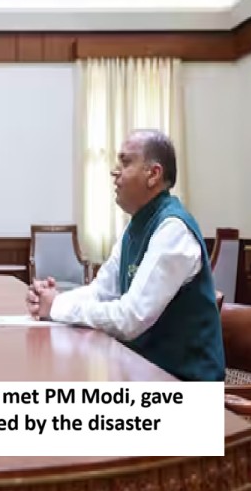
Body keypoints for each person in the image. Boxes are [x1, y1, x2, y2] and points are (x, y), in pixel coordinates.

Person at [27, 129, 225, 381]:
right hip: (143, 374)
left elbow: (130, 318)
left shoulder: (173, 230)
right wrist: (50, 300)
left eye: (126, 162)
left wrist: (56, 307)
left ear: (153, 174)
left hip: (182, 384)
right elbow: (101, 291)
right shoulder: (136, 226)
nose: (115, 172)